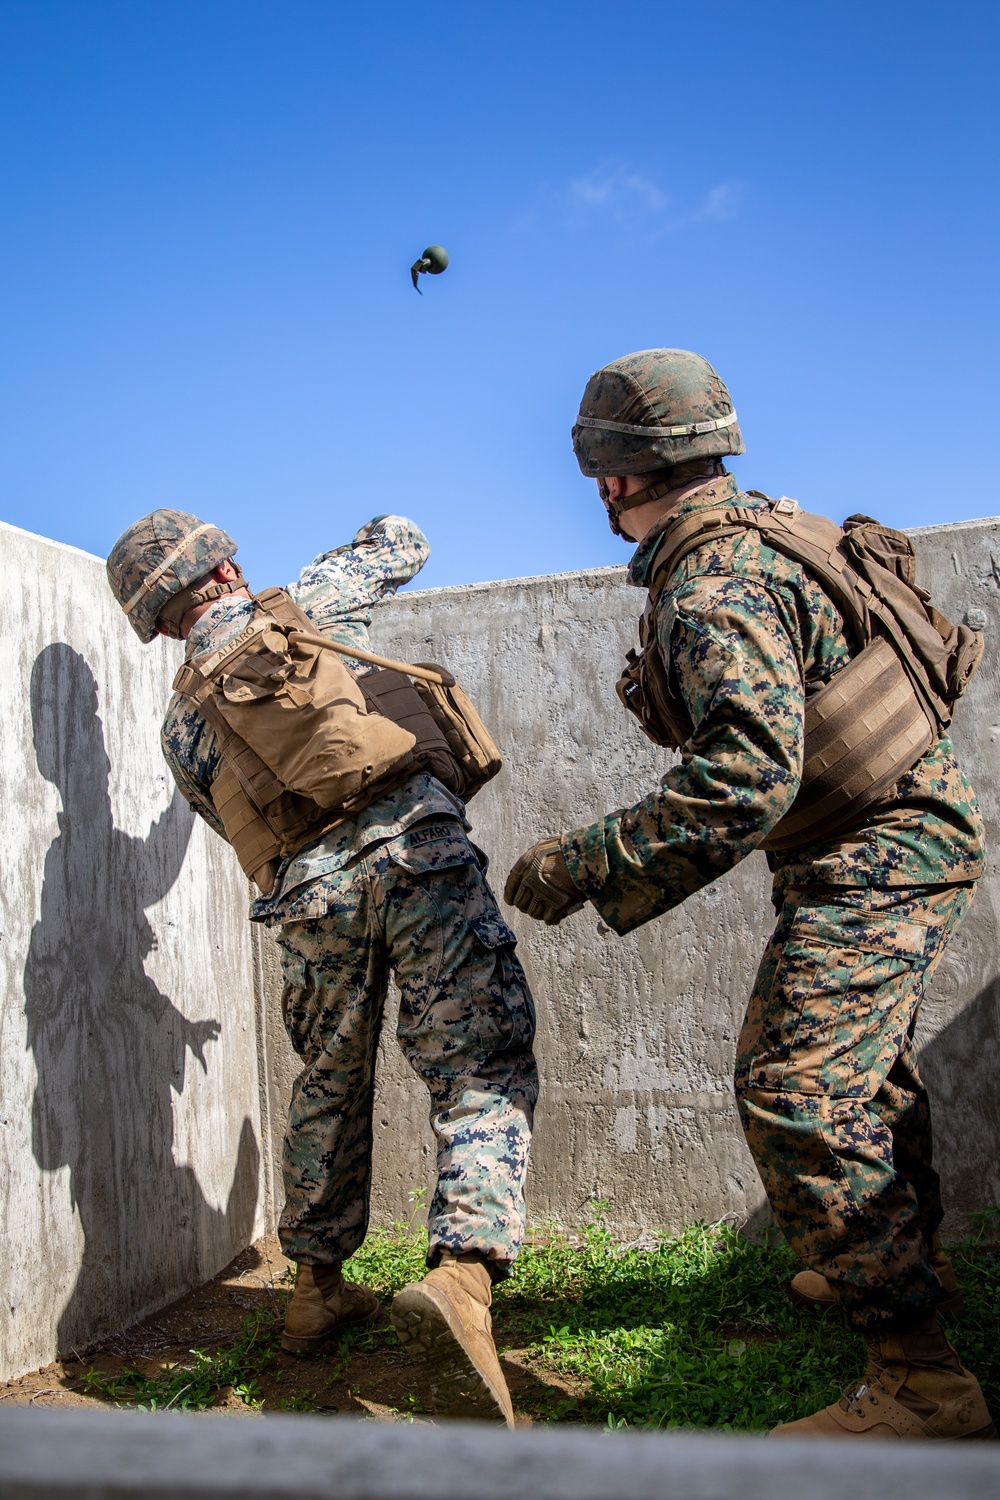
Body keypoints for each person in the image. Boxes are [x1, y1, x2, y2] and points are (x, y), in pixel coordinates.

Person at [505, 348, 994, 1441]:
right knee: (863, 1079)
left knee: (798, 1091)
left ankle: (922, 1383)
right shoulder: (775, 529)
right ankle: (889, 1272)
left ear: (613, 477)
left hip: (875, 850)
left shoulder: (712, 584)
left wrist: (579, 862)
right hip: (897, 835)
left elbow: (745, 778)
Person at [107, 509, 537, 1427]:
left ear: (161, 617)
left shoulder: (179, 728)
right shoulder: (301, 608)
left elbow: (237, 828)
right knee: (477, 1061)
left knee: (328, 1086)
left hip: (306, 897)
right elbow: (407, 543)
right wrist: (378, 527)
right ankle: (462, 1270)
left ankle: (315, 1287)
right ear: (221, 571)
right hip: (417, 853)